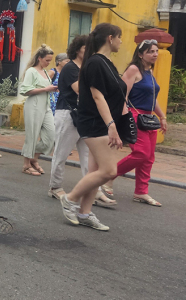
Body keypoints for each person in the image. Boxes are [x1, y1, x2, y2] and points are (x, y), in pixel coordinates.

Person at [60, 23, 126, 231]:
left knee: (95, 171)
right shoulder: (96, 63)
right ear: (110, 38)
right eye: (119, 37)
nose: (121, 41)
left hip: (102, 123)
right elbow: (98, 96)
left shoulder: (105, 62)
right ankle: (70, 199)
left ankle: (85, 213)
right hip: (96, 123)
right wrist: (111, 125)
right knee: (108, 170)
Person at [103, 39, 167, 207]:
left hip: (149, 118)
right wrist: (124, 116)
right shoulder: (134, 70)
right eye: (150, 51)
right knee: (141, 153)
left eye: (156, 51)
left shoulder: (149, 73)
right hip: (134, 115)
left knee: (149, 158)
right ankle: (108, 177)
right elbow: (121, 94)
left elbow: (153, 99)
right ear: (140, 54)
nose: (155, 54)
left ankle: (141, 191)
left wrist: (162, 117)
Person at [48, 36, 92, 200]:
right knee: (61, 153)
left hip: (83, 115)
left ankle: (92, 188)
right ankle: (55, 186)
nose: (89, 49)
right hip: (67, 113)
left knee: (87, 154)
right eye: (85, 46)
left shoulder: (86, 67)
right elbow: (80, 89)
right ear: (78, 48)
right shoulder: (71, 68)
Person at [20, 44, 57, 176]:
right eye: (47, 60)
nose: (48, 63)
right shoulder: (31, 71)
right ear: (40, 58)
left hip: (45, 106)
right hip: (33, 105)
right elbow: (24, 90)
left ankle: (33, 158)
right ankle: (26, 164)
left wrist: (52, 88)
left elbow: (45, 88)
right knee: (32, 135)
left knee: (51, 136)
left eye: (50, 60)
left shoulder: (46, 72)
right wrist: (46, 89)